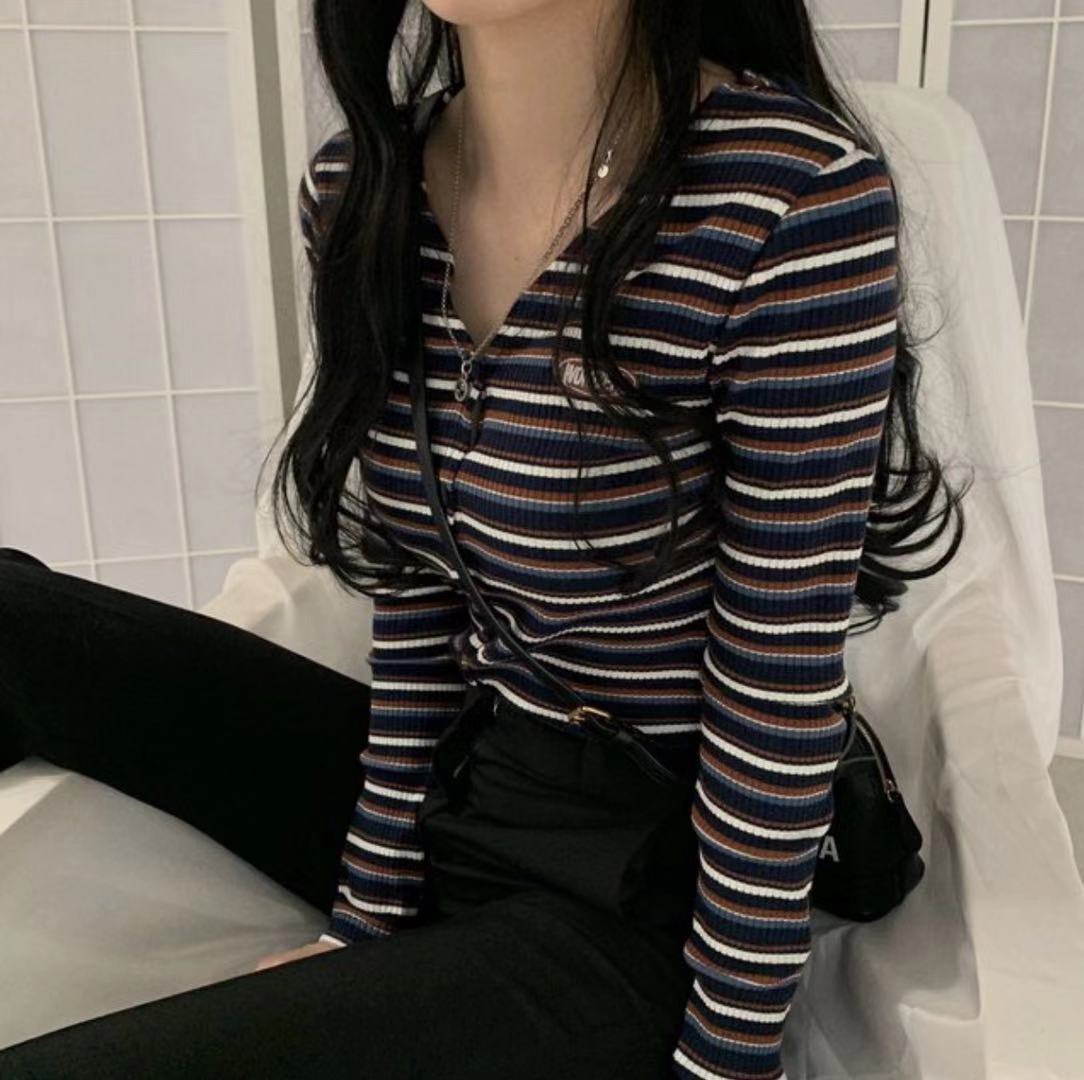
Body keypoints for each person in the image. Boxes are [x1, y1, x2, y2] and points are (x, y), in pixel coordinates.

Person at [0, 1, 966, 1077]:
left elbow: (774, 680)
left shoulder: (788, 198)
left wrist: (727, 1057)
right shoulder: (365, 187)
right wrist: (366, 919)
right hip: (477, 770)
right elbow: (418, 592)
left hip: (654, 875)